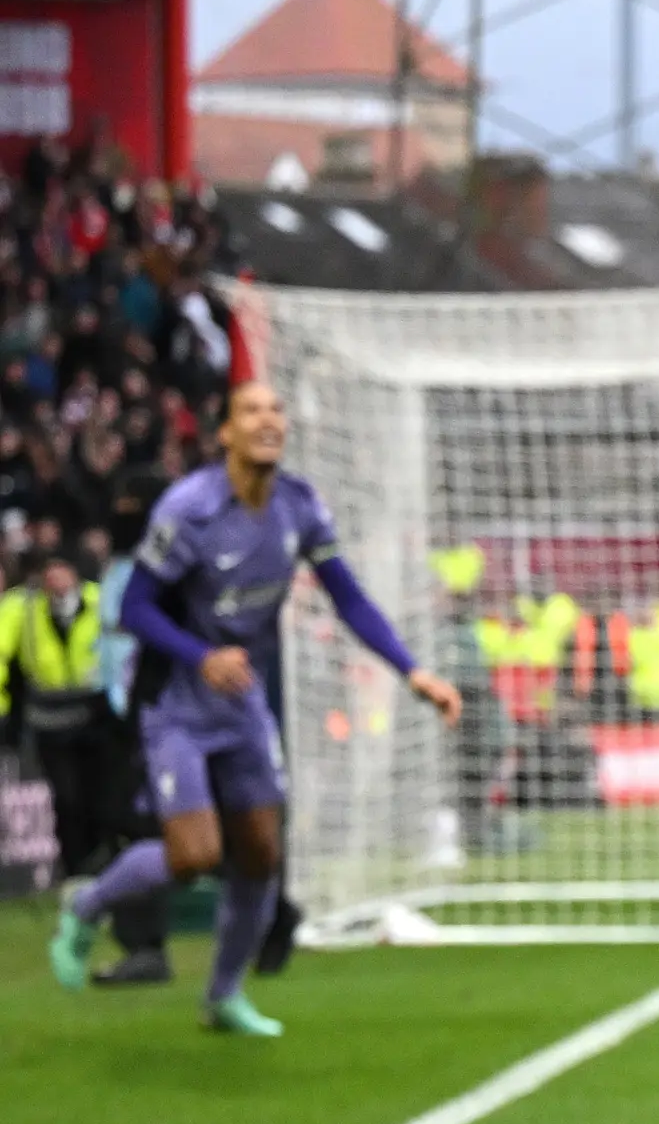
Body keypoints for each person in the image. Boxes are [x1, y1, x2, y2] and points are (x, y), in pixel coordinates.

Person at [44, 380, 462, 1028]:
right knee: (195, 857)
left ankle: (223, 996)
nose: (269, 420)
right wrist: (200, 656)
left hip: (240, 707)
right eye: (252, 411)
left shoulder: (300, 507)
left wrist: (414, 672)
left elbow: (347, 597)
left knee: (262, 852)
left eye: (276, 410)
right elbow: (135, 608)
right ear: (225, 435)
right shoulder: (190, 510)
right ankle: (87, 907)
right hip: (178, 702)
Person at [3, 553, 117, 873]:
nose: (55, 579)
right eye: (48, 571)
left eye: (61, 569)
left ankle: (103, 865)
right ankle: (76, 870)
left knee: (100, 797)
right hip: (50, 721)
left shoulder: (101, 600)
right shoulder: (22, 608)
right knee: (67, 801)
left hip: (97, 718)